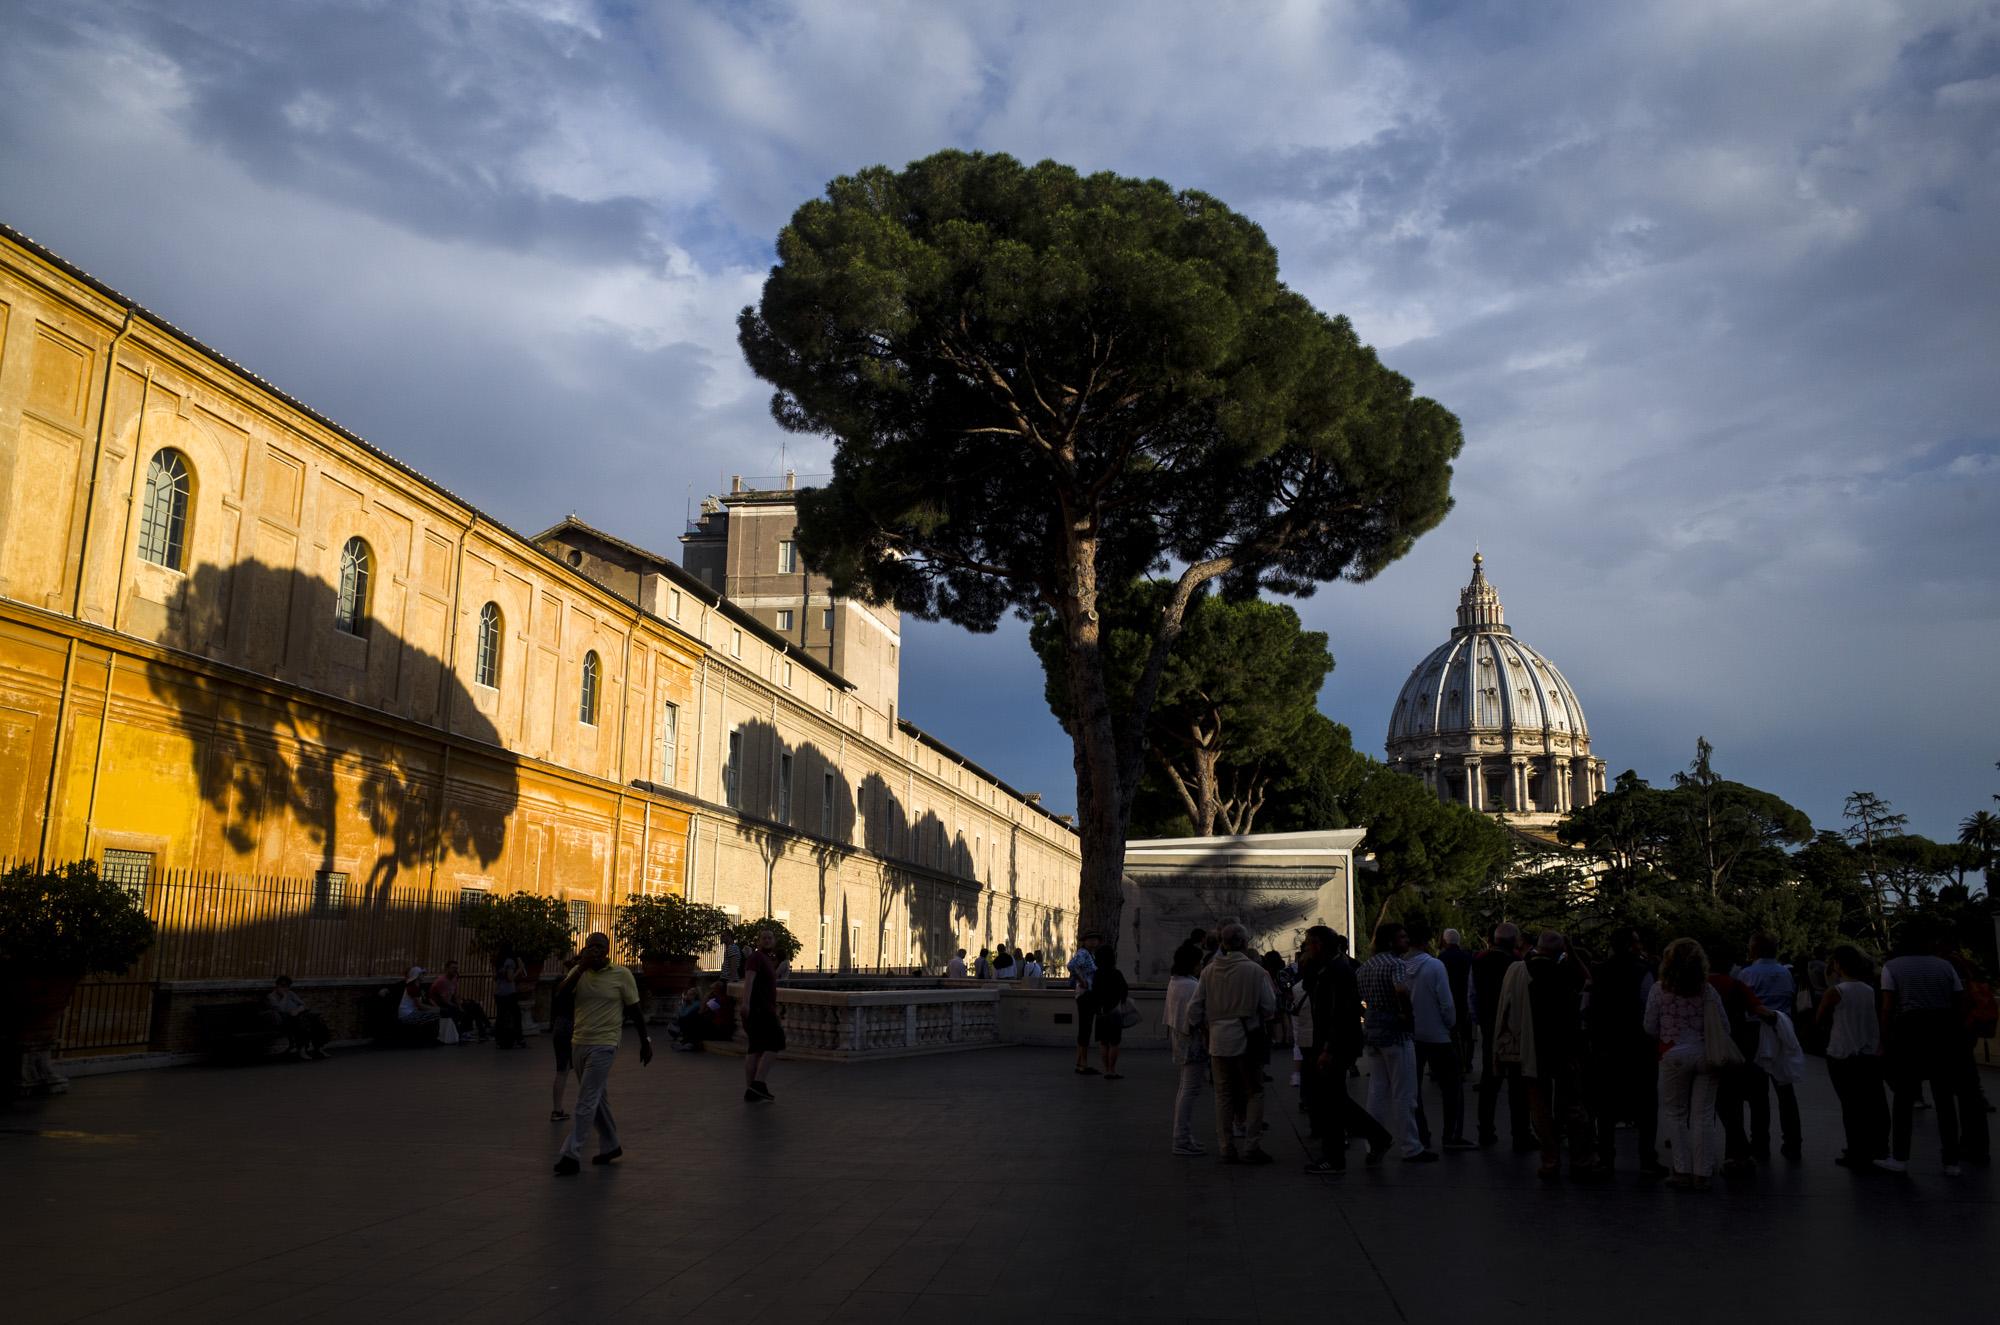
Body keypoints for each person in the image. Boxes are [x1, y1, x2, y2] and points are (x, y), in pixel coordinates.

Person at [1879, 924, 1976, 1174]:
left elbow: (1888, 1006)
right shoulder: (1944, 966)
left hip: (1909, 1030)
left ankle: (1900, 1156)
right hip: (1942, 1029)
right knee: (1944, 1098)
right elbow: (1959, 999)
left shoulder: (1892, 967)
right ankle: (1951, 1160)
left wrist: (1885, 1037)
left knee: (1903, 1097)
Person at [1298, 925, 1393, 1175]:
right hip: (1332, 1043)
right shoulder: (1327, 968)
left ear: (1319, 945)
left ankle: (1336, 1156)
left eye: (1309, 943)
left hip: (1336, 1044)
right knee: (1334, 1099)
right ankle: (1374, 1137)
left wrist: (1328, 1048)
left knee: (1331, 1102)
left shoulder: (1337, 971)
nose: (1306, 947)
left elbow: (1339, 1013)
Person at [553, 932, 651, 1174]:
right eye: (591, 947)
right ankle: (611, 1145)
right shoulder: (578, 973)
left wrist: (645, 1040)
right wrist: (579, 968)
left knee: (586, 1100)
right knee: (597, 1099)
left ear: (607, 951)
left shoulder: (622, 975)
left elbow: (635, 1010)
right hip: (579, 1042)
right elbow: (560, 997)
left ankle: (571, 1154)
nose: (595, 951)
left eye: (600, 947)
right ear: (585, 949)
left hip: (605, 1044)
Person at [1644, 938, 1734, 1191]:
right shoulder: (1707, 990)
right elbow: (1724, 1027)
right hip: (1706, 1055)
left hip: (1673, 1054)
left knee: (1675, 1114)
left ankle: (1681, 1170)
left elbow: (1649, 1026)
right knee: (1703, 1115)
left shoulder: (1659, 990)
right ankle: (1703, 1172)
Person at [1187, 923, 1276, 1164]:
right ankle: (1251, 1145)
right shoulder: (1255, 971)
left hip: (1218, 1039)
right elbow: (1269, 1008)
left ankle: (1226, 1146)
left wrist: (1204, 1026)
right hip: (1248, 1038)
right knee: (1254, 1091)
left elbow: (1194, 1009)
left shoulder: (1208, 971)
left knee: (1223, 1094)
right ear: (1245, 944)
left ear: (1222, 944)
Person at [1514, 931, 1595, 1179]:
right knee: (1572, 1105)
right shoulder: (1564, 973)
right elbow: (1587, 980)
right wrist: (1571, 952)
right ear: (1561, 951)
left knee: (1540, 1108)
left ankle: (1550, 1160)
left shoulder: (1522, 972)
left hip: (1533, 1048)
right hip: (1565, 1048)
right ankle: (1580, 1160)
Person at [1588, 928, 1665, 1177]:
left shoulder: (1600, 971)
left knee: (1605, 1106)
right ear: (1633, 945)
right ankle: (1646, 1157)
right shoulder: (1644, 972)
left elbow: (1590, 1008)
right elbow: (1649, 1007)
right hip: (1638, 1045)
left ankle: (1606, 1157)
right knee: (1646, 1104)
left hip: (1607, 1045)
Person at [1358, 922, 1433, 1162]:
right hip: (1397, 1034)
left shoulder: (1365, 967)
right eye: (1402, 937)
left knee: (1377, 1091)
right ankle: (1411, 1146)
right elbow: (1401, 990)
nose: (1406, 941)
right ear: (1390, 941)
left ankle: (1374, 1144)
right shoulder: (1397, 964)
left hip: (1373, 1032)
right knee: (1405, 1092)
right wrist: (1406, 1014)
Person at [1818, 944, 1887, 1167]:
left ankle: (1856, 1149)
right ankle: (1877, 1147)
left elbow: (1820, 1019)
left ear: (1838, 965)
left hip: (1842, 1052)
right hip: (1868, 1052)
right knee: (1872, 1102)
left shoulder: (1836, 992)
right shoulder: (1870, 990)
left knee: (1850, 1105)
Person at [1736, 932, 1803, 1161]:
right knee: (1785, 1089)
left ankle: (1760, 1144)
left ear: (1754, 949)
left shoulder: (1747, 973)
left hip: (1755, 1032)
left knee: (1758, 1094)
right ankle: (1793, 1143)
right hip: (1781, 1029)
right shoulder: (1785, 973)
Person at [1405, 921, 1467, 1151]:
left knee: (1414, 1088)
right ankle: (1451, 1135)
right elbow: (1446, 1003)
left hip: (1412, 1036)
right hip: (1438, 1034)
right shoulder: (1434, 966)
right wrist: (1450, 1024)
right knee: (1452, 1086)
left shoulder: (1400, 966)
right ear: (1427, 941)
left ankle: (1422, 1134)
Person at [1706, 949, 1767, 1175]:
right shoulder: (1735, 985)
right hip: (1731, 1048)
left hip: (1700, 1047)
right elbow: (1757, 1009)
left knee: (1703, 1106)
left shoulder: (1699, 986)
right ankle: (1738, 1152)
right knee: (1731, 1102)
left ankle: (1696, 1155)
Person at [1472, 924, 1532, 1152]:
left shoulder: (1479, 960)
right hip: (1514, 1027)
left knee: (1490, 1080)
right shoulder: (1517, 963)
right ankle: (1521, 1133)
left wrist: (1481, 1021)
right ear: (1514, 940)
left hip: (1489, 1025)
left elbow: (1473, 993)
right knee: (1518, 1083)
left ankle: (1485, 1130)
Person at [1164, 944, 1207, 1155]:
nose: (1201, 966)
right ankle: (1181, 1138)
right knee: (1189, 1090)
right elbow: (1196, 1015)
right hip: (1192, 1042)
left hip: (1180, 1039)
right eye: (1199, 962)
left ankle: (1183, 1136)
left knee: (1185, 1088)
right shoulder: (1190, 986)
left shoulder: (1176, 982)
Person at [741, 928, 785, 1102]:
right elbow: (749, 980)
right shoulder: (756, 958)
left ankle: (751, 1091)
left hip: (762, 1010)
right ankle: (758, 1084)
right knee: (776, 1042)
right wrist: (746, 1003)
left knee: (755, 1048)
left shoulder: (767, 959)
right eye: (764, 938)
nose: (767, 940)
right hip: (761, 1011)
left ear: (774, 941)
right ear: (758, 941)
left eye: (770, 937)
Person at [267, 975, 331, 1060]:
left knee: (318, 1021)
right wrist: (284, 996)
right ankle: (302, 1050)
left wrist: (297, 1010)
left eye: (287, 986)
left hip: (298, 1014)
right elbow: (281, 1009)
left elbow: (303, 1005)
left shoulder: (291, 993)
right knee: (303, 1024)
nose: (285, 988)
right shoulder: (271, 997)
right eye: (282, 986)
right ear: (277, 986)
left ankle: (319, 1048)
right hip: (286, 1018)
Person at [1440, 928, 1475, 1077]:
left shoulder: (1442, 958)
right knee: (1468, 1036)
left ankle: (1456, 1064)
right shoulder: (1468, 957)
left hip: (1450, 1001)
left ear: (1445, 941)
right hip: (1466, 1002)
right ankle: (1468, 1063)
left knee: (1453, 1035)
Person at [429, 960, 492, 1042]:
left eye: (456, 968)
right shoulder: (441, 981)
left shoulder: (454, 979)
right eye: (453, 968)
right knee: (462, 1010)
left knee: (474, 1005)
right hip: (441, 1004)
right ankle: (468, 1031)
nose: (455, 970)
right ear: (447, 969)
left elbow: (455, 995)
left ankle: (484, 1029)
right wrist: (458, 1007)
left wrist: (460, 1004)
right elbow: (444, 1000)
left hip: (450, 1002)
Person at [1092, 946, 1130, 1079]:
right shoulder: (1116, 973)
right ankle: (1111, 1070)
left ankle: (1106, 1069)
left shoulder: (1096, 974)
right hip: (1114, 1011)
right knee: (1114, 1042)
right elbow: (1124, 990)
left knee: (1103, 1042)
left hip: (1101, 1012)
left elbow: (1094, 992)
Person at [1068, 931, 1103, 1075]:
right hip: (1085, 994)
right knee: (1085, 1027)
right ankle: (1083, 1064)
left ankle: (1080, 1062)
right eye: (1091, 939)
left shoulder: (1089, 954)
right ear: (1085, 941)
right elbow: (1071, 965)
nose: (1094, 942)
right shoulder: (1083, 953)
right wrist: (1082, 980)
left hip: (1086, 994)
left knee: (1085, 1028)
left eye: (1096, 939)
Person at [549, 954, 578, 1122]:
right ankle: (588, 1108)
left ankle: (557, 1109)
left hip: (559, 1026)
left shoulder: (560, 985)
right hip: (574, 1026)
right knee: (585, 1069)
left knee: (561, 1070)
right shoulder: (580, 985)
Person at [492, 952, 527, 1049]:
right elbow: (510, 978)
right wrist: (519, 969)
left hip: (498, 992)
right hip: (509, 992)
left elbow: (495, 977)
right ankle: (519, 1037)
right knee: (516, 1015)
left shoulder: (498, 961)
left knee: (500, 1016)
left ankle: (499, 1038)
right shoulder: (510, 962)